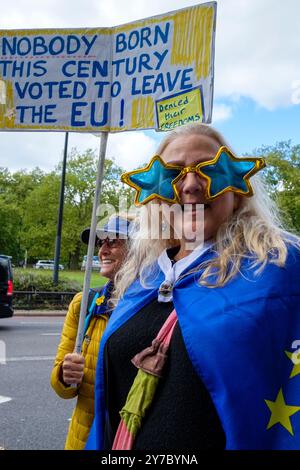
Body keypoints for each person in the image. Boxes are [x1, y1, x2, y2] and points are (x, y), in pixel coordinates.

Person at [86, 123, 300, 451]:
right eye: (173, 173)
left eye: (209, 169)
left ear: (238, 188)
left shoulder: (279, 266)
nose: (190, 186)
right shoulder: (143, 279)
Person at [50, 214, 132, 450]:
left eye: (113, 242)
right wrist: (66, 375)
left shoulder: (153, 305)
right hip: (84, 438)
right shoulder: (84, 303)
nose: (103, 250)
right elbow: (62, 388)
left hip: (128, 438)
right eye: (100, 243)